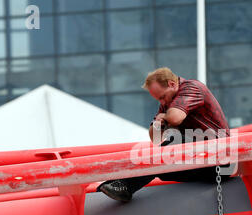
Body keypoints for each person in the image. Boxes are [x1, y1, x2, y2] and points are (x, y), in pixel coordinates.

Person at [97, 67, 232, 202]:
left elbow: (175, 118)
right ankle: (114, 184)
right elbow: (155, 138)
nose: (162, 102)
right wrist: (158, 121)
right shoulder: (169, 102)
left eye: (162, 97)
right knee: (162, 159)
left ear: (172, 84)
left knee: (174, 143)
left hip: (220, 162)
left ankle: (124, 185)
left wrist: (164, 117)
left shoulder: (192, 87)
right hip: (199, 158)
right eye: (159, 99)